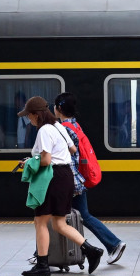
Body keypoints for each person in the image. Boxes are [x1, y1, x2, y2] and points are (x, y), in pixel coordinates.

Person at [19, 96, 103, 276]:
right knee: (58, 223)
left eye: (29, 116)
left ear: (36, 114)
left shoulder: (44, 131)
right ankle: (91, 250)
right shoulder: (58, 127)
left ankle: (42, 264)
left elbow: (46, 160)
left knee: (40, 221)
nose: (28, 119)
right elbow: (73, 149)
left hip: (53, 177)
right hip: (66, 176)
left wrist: (29, 162)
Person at [54, 92, 126, 264]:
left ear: (58, 109)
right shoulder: (75, 126)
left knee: (53, 216)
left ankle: (43, 256)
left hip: (68, 180)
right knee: (79, 215)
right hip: (78, 179)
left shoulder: (62, 129)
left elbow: (67, 158)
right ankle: (113, 244)